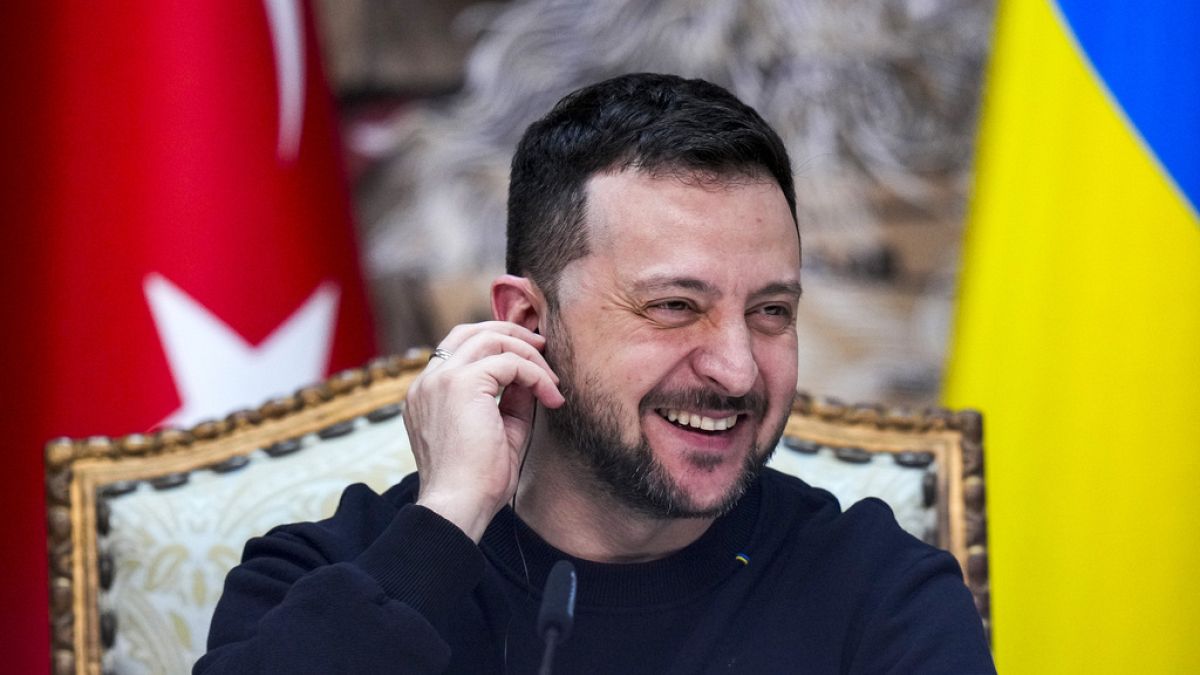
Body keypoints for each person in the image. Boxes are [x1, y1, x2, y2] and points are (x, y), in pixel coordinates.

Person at [196, 73, 994, 674]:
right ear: (527, 324)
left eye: (771, 311)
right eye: (676, 305)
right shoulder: (328, 576)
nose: (738, 368)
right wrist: (444, 525)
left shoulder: (878, 592)